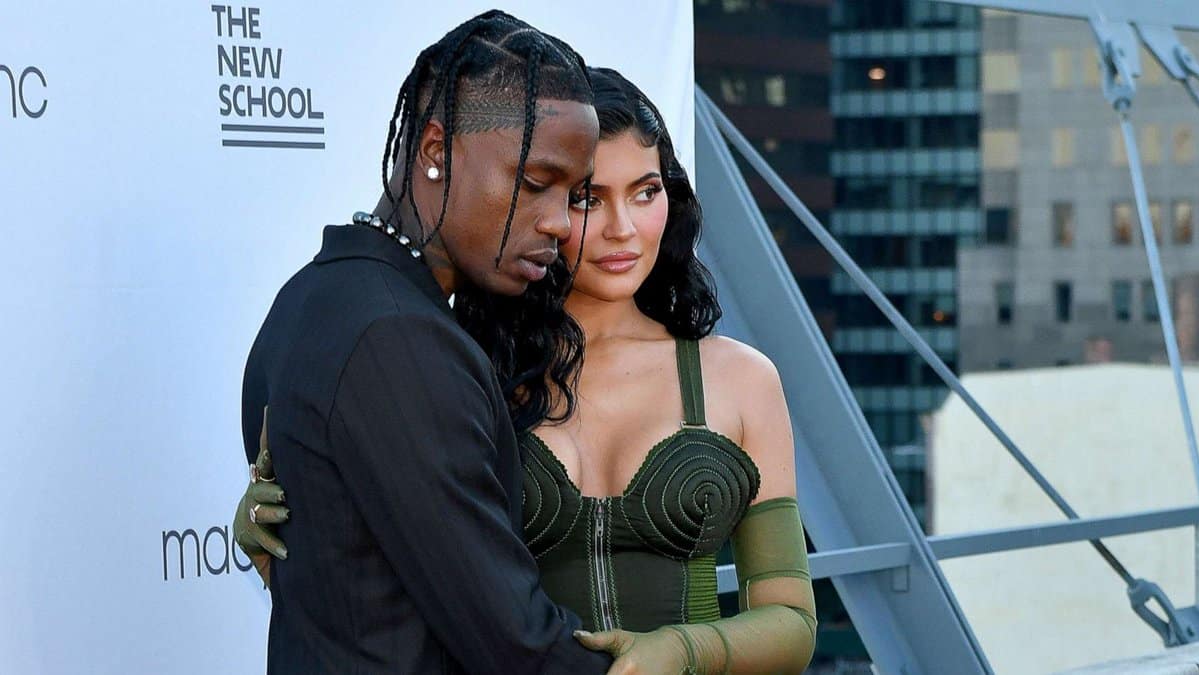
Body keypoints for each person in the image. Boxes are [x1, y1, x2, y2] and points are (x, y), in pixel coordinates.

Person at [241, 67, 818, 673]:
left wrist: (680, 650)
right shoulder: (462, 364)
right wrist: (292, 529)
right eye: (589, 199)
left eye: (646, 192)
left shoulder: (741, 379)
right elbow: (393, 576)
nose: (623, 228)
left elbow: (793, 619)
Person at [234, 10, 618, 673]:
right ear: (436, 151)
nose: (559, 223)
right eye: (534, 184)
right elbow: (515, 644)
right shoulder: (397, 340)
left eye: (573, 194)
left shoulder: (309, 297)